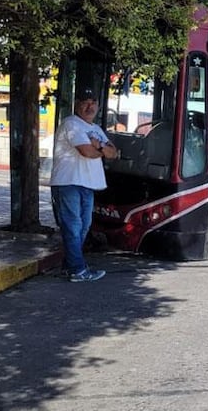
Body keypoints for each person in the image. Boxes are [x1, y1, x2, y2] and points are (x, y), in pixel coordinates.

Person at [50, 88, 118, 282]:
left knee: (83, 226)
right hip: (68, 182)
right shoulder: (71, 124)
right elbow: (87, 152)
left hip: (88, 184)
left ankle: (69, 265)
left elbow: (114, 153)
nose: (90, 106)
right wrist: (99, 150)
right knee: (73, 225)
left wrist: (100, 147)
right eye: (85, 102)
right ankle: (78, 270)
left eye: (93, 102)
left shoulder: (95, 129)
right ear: (77, 104)